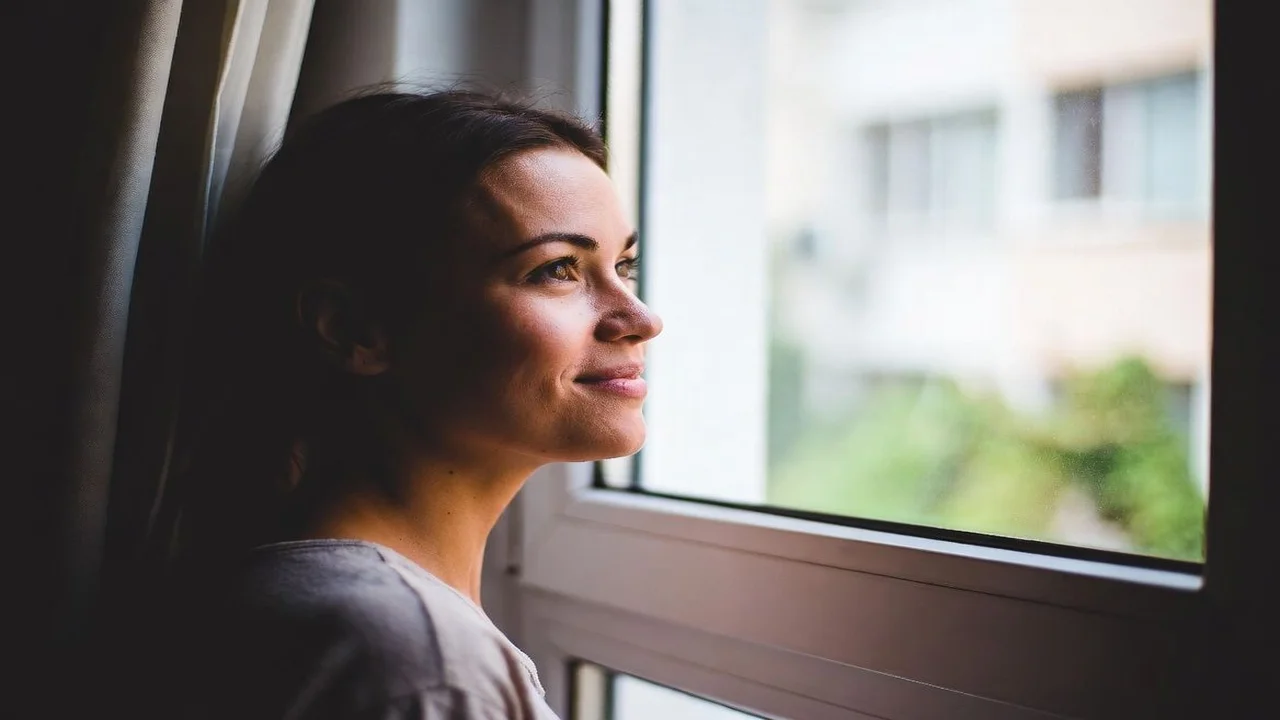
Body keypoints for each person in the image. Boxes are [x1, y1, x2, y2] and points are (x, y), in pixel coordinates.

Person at [146, 89, 662, 719]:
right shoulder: (414, 660)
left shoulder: (289, 593)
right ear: (355, 331)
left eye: (624, 265)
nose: (639, 318)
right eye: (556, 269)